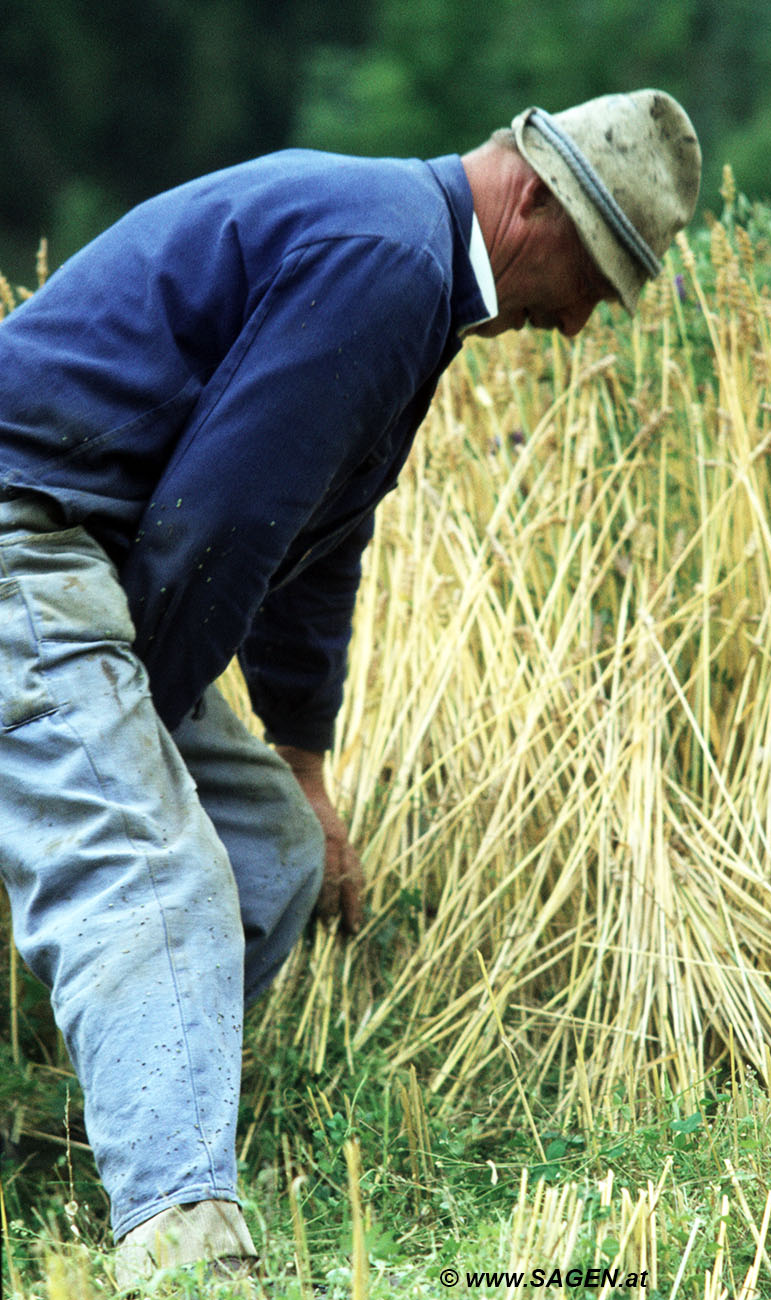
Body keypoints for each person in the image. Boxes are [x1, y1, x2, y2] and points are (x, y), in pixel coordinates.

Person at [0, 89, 700, 1285]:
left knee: (265, 858)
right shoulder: (385, 259)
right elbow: (214, 526)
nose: (583, 324)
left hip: (87, 566)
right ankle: (184, 1243)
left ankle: (82, 1123)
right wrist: (138, 739)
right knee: (155, 867)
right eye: (594, 273)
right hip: (27, 532)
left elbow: (311, 540)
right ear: (532, 197)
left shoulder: (412, 274)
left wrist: (304, 766)